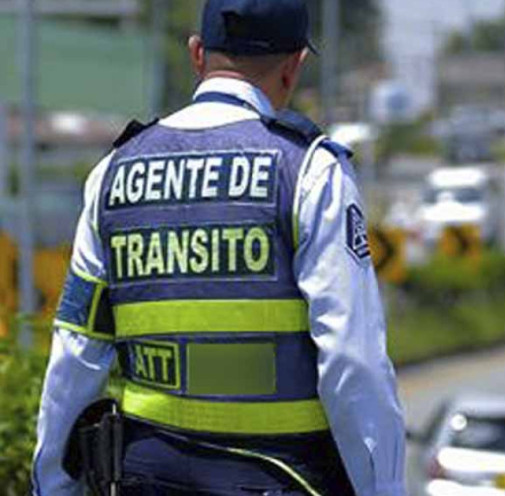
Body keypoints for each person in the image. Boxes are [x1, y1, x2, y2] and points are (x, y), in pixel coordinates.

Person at [31, 0, 406, 494]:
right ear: (294, 66)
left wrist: (52, 485)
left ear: (197, 54)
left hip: (146, 478)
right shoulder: (310, 172)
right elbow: (352, 362)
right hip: (280, 478)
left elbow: (76, 349)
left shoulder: (113, 174)